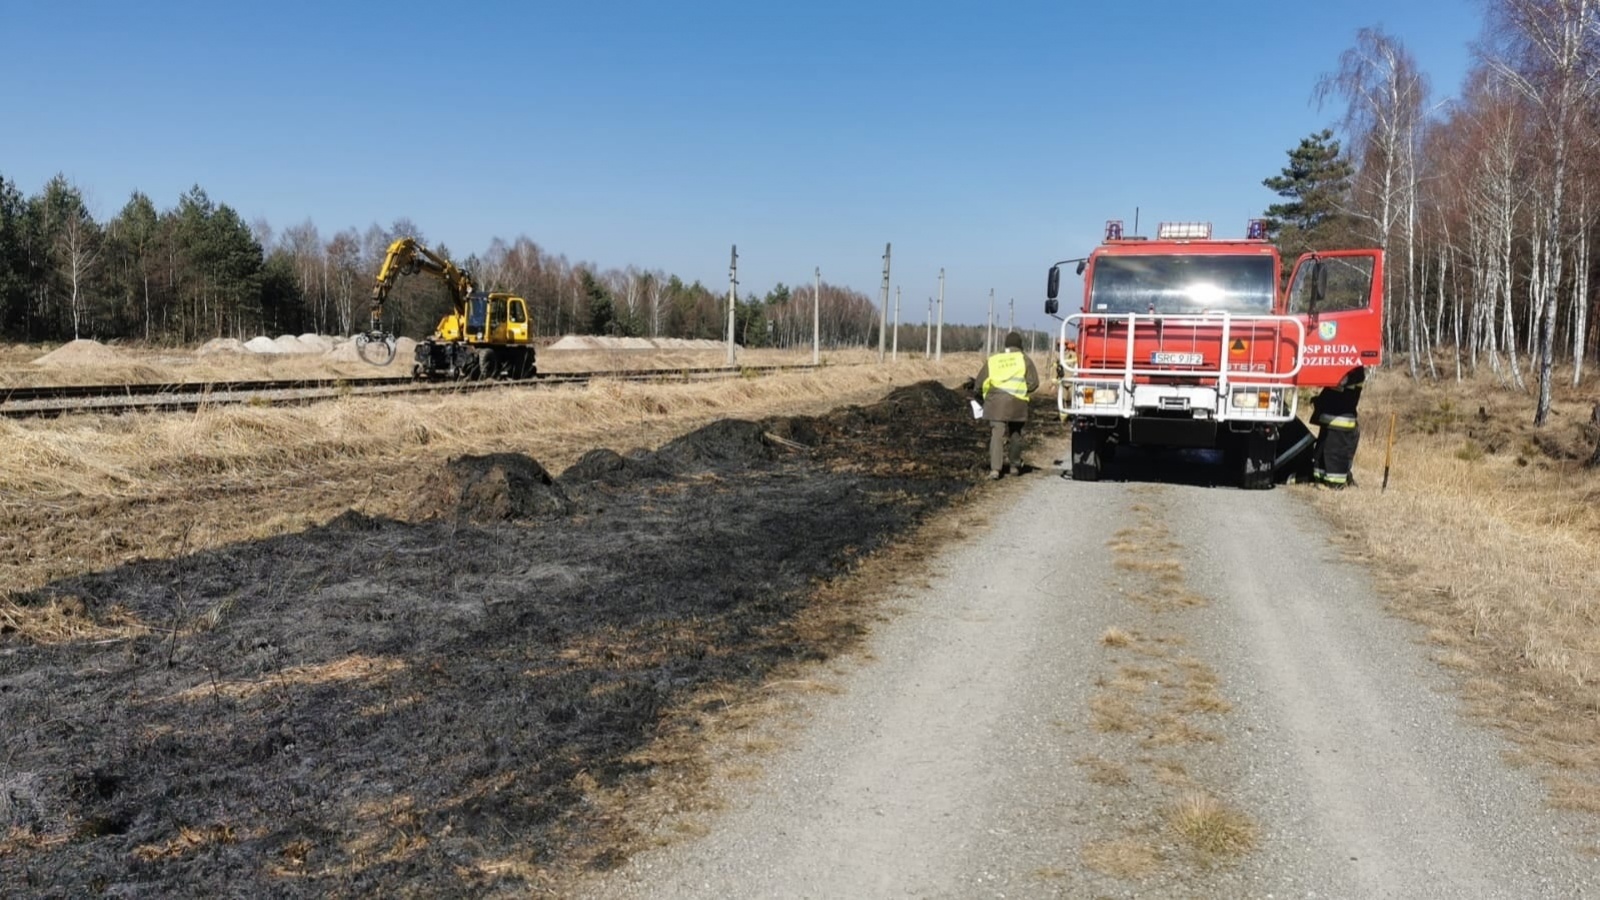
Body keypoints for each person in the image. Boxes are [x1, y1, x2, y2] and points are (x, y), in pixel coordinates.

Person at [973, 331, 1041, 479]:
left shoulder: (994, 359)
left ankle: (995, 470)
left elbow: (979, 383)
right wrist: (1021, 389)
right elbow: (1034, 383)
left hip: (995, 403)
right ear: (1020, 345)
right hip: (1016, 402)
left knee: (996, 434)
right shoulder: (1024, 359)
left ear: (1006, 344)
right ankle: (1015, 466)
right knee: (1015, 433)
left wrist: (981, 395)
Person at [1310, 366, 1365, 488]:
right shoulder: (1350, 369)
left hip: (1339, 420)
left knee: (1333, 452)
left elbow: (1342, 380)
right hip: (1335, 420)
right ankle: (1325, 480)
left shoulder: (1355, 372)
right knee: (1326, 451)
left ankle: (1333, 481)